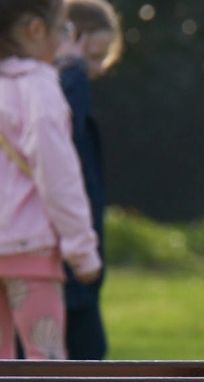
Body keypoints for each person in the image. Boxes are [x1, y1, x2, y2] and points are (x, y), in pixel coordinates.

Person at [1, 0, 100, 361]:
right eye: (63, 29)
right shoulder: (38, 86)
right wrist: (82, 251)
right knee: (45, 369)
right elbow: (58, 177)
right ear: (34, 29)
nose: (64, 41)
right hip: (32, 250)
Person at [55, 0, 120, 360]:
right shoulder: (65, 85)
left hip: (75, 254)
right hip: (64, 261)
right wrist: (73, 67)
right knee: (83, 354)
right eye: (92, 56)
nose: (96, 69)